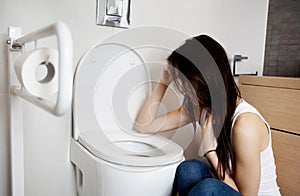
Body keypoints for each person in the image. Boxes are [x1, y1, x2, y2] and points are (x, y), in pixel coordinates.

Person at [133, 35, 280, 196]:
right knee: (189, 169)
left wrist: (211, 152)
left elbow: (246, 195)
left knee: (208, 188)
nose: (183, 90)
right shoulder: (200, 107)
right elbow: (144, 126)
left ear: (207, 80)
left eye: (187, 83)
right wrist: (164, 82)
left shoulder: (246, 125)